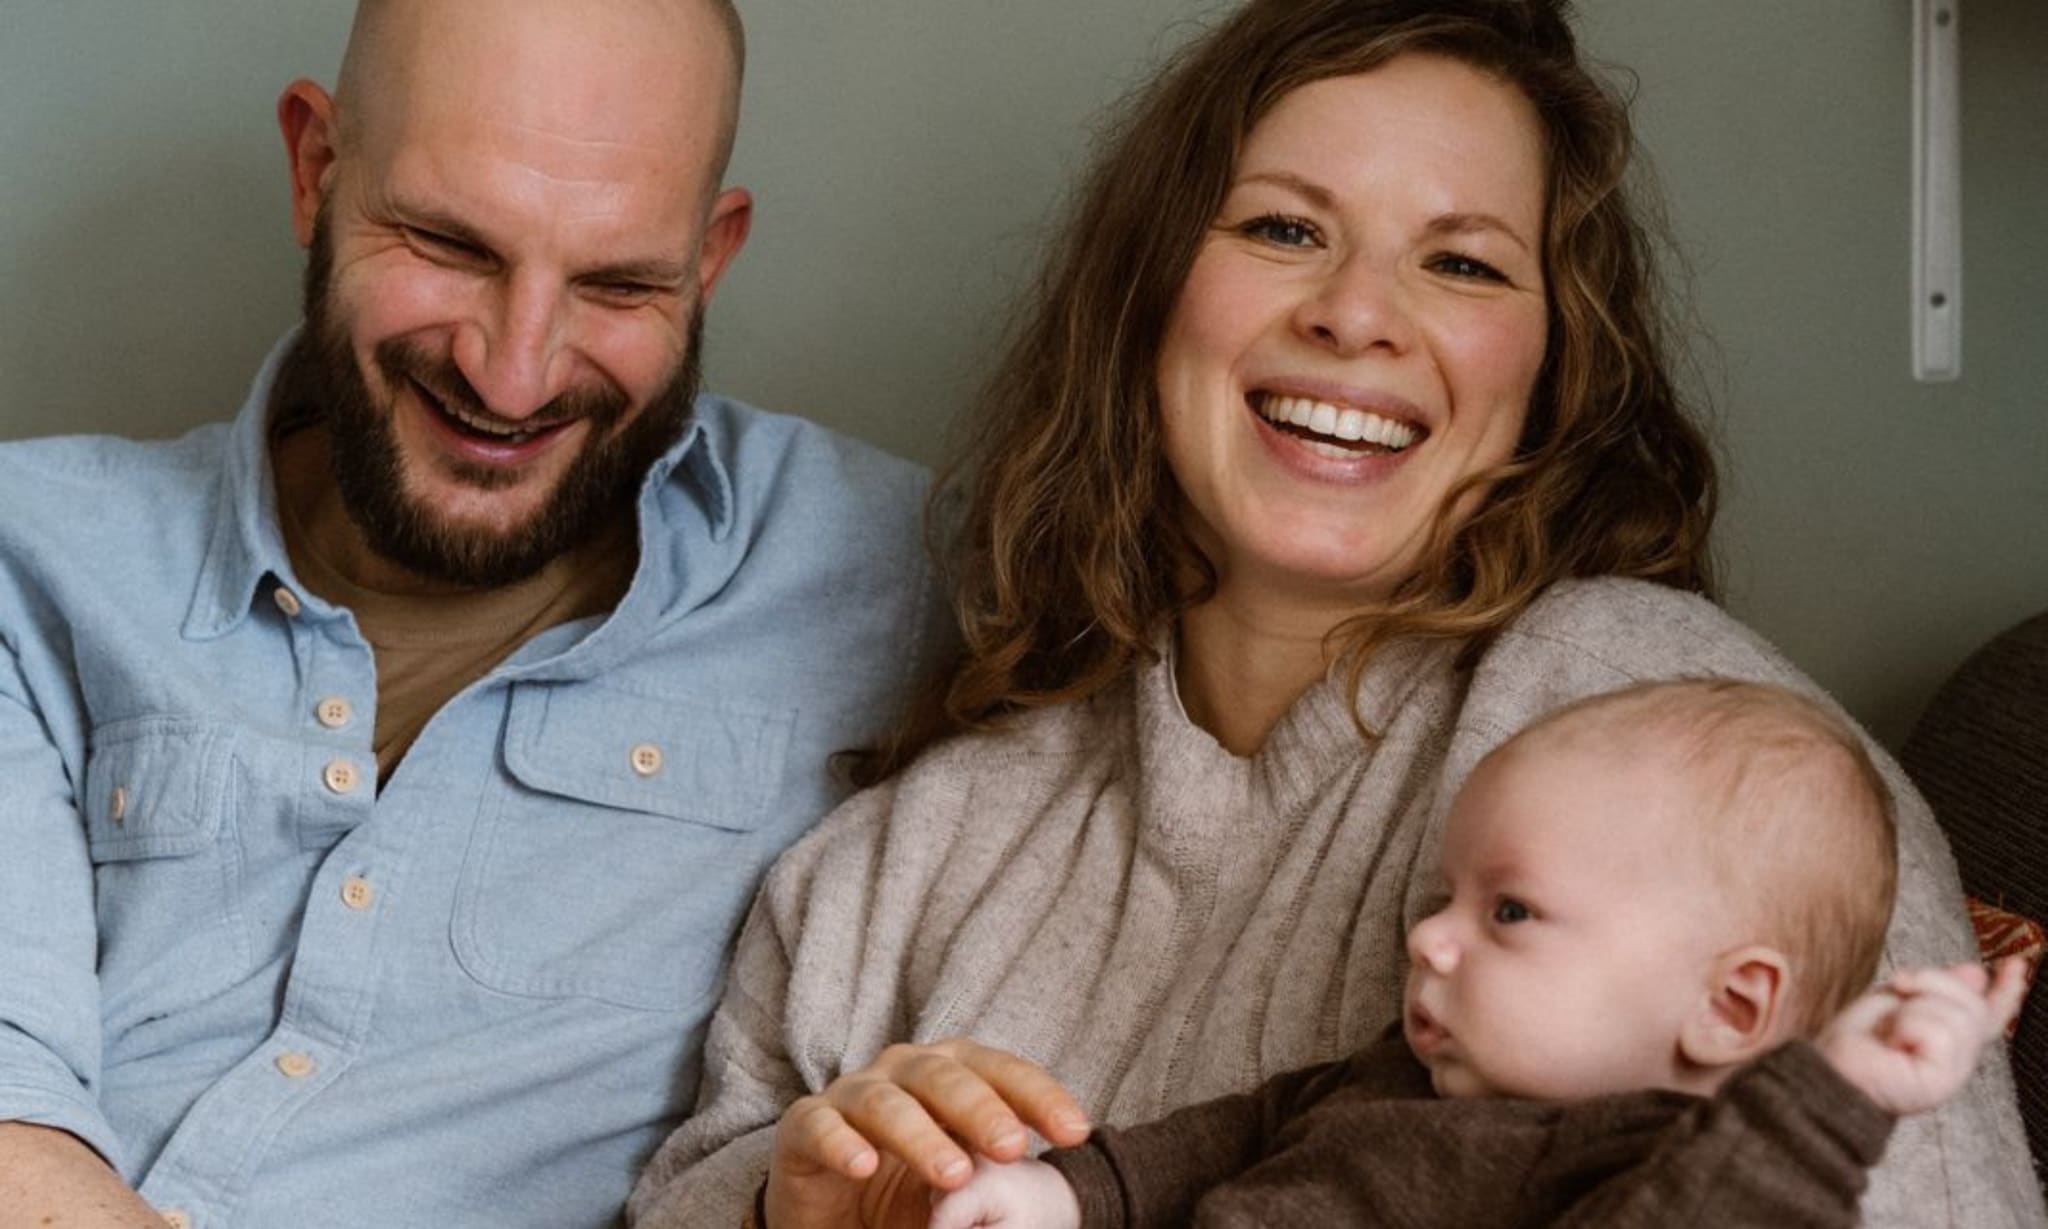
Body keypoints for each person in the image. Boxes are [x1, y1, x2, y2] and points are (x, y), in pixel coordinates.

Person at [627, 2, 2045, 1227]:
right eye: (1285, 227)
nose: (1357, 315)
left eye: (1465, 261)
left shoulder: (1683, 744)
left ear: (1550, 367)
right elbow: (691, 1186)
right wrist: (789, 1201)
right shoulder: (909, 850)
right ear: (1148, 295)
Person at [0, 1, 943, 1226]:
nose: (515, 373)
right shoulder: (34, 556)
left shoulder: (905, 573)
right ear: (315, 169)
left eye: (618, 283)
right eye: (451, 246)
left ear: (708, 261)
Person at [923, 679, 2030, 1228]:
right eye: (1442, 895)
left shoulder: (1650, 1166)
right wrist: (1066, 1194)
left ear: (1732, 1007)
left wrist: (1825, 1099)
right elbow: (1226, 1136)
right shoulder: (1391, 1080)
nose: (1424, 936)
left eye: (1509, 913)